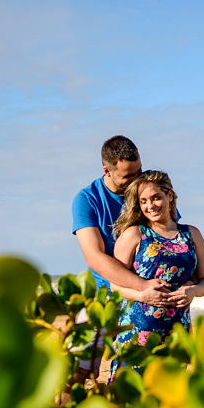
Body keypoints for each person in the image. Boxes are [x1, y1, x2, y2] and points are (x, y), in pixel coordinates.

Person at [71, 135, 176, 379]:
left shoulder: (149, 194)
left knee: (143, 375)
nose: (136, 180)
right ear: (106, 170)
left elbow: (172, 242)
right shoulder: (87, 200)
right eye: (129, 176)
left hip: (149, 303)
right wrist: (142, 287)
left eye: (138, 171)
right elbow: (95, 257)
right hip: (105, 298)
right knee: (78, 372)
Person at [108, 170, 204, 376]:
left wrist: (193, 292)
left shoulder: (192, 234)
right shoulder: (134, 234)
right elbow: (115, 285)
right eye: (144, 200)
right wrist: (142, 294)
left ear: (169, 196)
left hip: (177, 331)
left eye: (156, 198)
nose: (150, 205)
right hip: (135, 331)